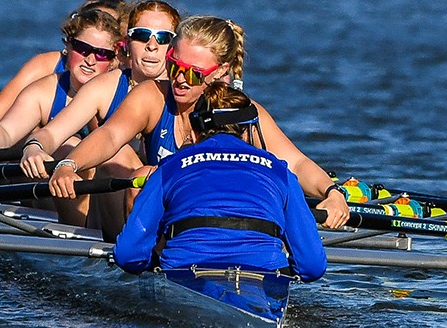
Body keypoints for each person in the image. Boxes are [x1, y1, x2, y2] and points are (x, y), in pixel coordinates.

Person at [47, 15, 352, 230]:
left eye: (193, 73)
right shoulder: (152, 96)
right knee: (135, 170)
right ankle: (136, 262)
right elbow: (111, 136)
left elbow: (295, 164)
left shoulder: (243, 113)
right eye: (174, 66)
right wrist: (69, 165)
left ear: (221, 72)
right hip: (153, 226)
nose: (179, 79)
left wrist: (332, 193)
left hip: (212, 222)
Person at [110, 84, 327, 323]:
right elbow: (312, 266)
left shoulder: (170, 168)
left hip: (184, 272)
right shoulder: (281, 172)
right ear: (248, 132)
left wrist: (154, 266)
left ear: (194, 132)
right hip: (264, 275)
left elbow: (127, 254)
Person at [16, 0, 181, 181]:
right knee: (99, 153)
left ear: (175, 47)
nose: (151, 46)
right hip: (111, 198)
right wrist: (33, 148)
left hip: (168, 197)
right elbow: (52, 133)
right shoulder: (104, 88)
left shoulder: (188, 90)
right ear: (127, 43)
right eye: (142, 35)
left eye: (164, 38)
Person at [0, 0, 126, 150]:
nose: (91, 58)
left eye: (102, 52)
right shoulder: (46, 69)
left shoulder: (126, 82)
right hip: (40, 155)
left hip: (92, 166)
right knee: (33, 134)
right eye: (83, 47)